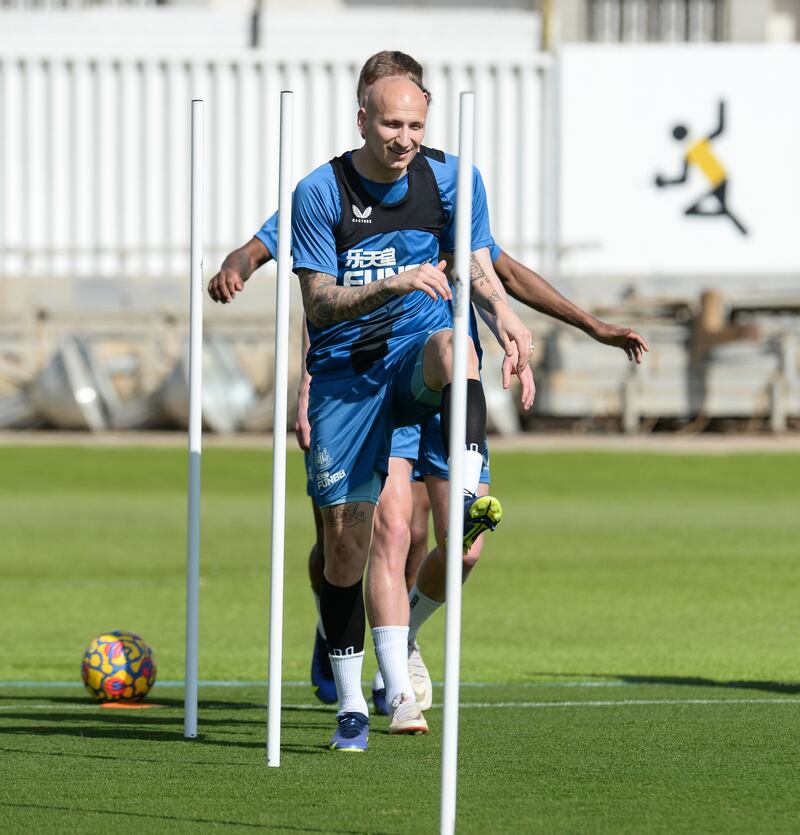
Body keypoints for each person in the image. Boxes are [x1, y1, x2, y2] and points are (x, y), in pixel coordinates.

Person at [291, 75, 531, 751]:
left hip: (414, 354)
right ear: (363, 119)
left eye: (417, 127)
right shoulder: (320, 192)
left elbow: (475, 268)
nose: (405, 140)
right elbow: (318, 304)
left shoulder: (446, 182)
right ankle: (348, 701)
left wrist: (506, 314)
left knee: (456, 347)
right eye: (393, 126)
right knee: (348, 546)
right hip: (347, 373)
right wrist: (391, 282)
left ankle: (468, 469)